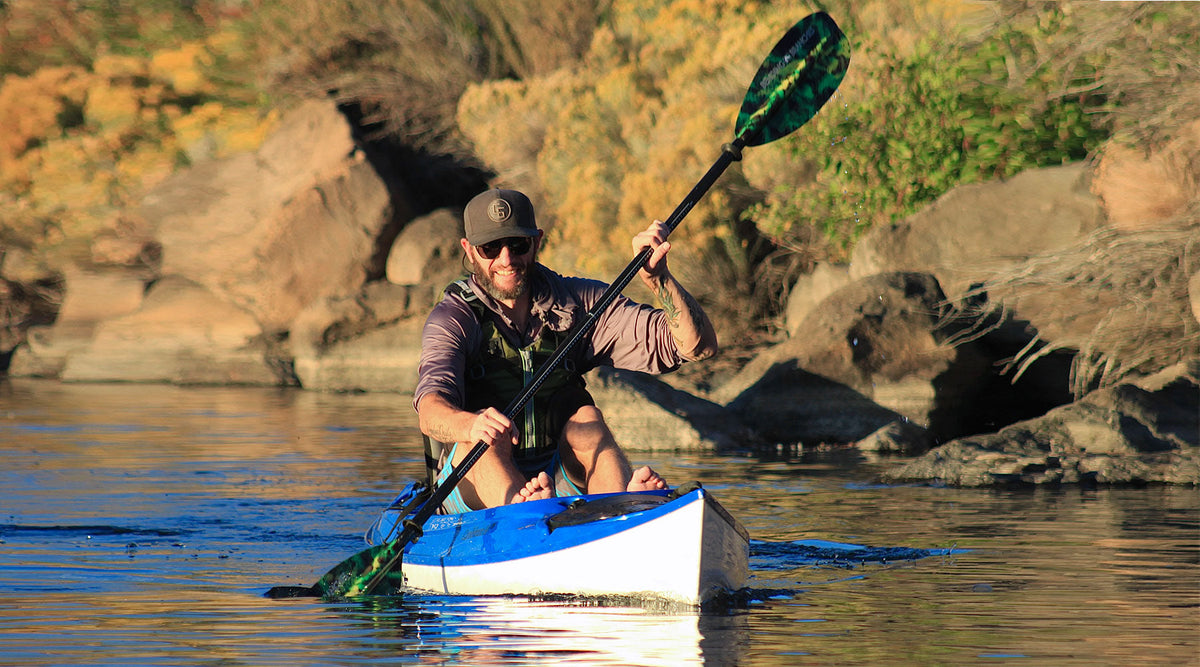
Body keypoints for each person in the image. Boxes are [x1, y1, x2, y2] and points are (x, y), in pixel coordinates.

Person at [413, 188, 718, 512]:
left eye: (517, 244)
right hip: (468, 488)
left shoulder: (577, 302)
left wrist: (659, 280)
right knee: (484, 439)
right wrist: (471, 424)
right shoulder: (453, 318)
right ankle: (525, 510)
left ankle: (614, 507)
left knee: (586, 419)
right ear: (470, 250)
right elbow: (430, 410)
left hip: (558, 476)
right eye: (491, 247)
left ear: (537, 242)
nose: (506, 259)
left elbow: (697, 347)